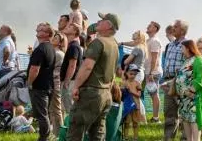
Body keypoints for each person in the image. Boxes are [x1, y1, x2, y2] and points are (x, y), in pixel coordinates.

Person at [67, 12, 120, 141]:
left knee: (76, 131)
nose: (98, 22)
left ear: (108, 25)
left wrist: (76, 86)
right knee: (97, 134)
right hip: (105, 94)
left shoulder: (98, 42)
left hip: (91, 93)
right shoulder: (114, 44)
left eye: (102, 20)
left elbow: (87, 66)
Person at [27, 23, 56, 141]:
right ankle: (45, 136)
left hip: (39, 87)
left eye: (41, 30)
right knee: (44, 114)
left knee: (42, 115)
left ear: (47, 34)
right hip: (48, 86)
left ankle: (44, 138)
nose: (38, 30)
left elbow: (35, 69)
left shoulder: (40, 49)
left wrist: (29, 83)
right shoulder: (51, 48)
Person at [175, 40, 202, 141]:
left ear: (188, 48)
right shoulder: (186, 60)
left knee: (194, 121)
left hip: (193, 98)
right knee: (186, 120)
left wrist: (191, 91)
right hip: (184, 98)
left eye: (182, 48)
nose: (181, 50)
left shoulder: (198, 60)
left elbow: (201, 78)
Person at [162, 19, 188, 141]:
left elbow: (189, 64)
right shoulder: (170, 45)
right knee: (169, 112)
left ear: (182, 30)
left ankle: (185, 138)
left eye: (175, 26)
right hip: (168, 81)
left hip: (181, 81)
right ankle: (168, 138)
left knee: (184, 111)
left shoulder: (187, 44)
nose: (173, 28)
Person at [60, 23, 83, 117]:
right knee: (67, 106)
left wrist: (67, 80)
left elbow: (72, 65)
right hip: (71, 80)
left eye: (69, 27)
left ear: (74, 32)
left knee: (69, 107)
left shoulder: (73, 46)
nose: (66, 27)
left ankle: (70, 128)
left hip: (71, 81)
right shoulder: (71, 45)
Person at [145, 21, 163, 123]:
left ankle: (156, 118)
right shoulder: (148, 40)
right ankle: (154, 117)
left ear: (155, 29)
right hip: (149, 71)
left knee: (154, 94)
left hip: (154, 72)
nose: (147, 26)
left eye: (150, 26)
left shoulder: (155, 41)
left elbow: (155, 59)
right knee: (152, 94)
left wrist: (151, 73)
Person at [122, 65, 146, 141]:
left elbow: (139, 95)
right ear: (126, 73)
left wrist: (131, 91)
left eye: (135, 74)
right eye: (131, 74)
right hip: (127, 106)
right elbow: (121, 95)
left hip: (136, 106)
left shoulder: (137, 84)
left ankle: (135, 138)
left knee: (135, 122)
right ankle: (126, 137)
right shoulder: (124, 83)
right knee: (127, 122)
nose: (133, 76)